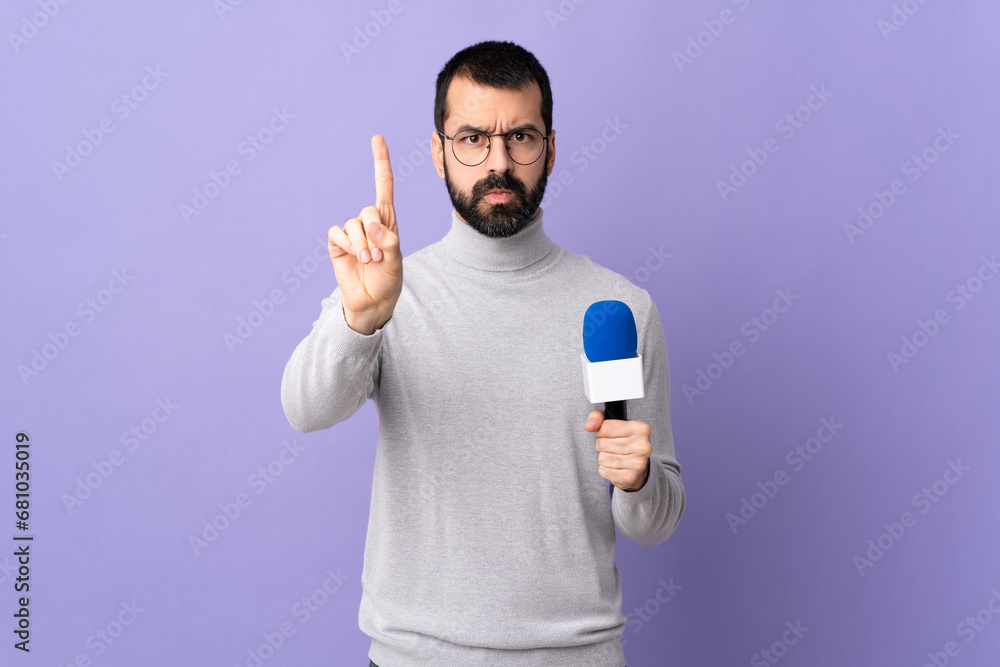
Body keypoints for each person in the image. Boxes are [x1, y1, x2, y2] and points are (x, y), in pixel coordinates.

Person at [281, 40, 685, 667]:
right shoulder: (387, 291)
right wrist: (359, 320)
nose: (499, 162)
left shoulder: (618, 309)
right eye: (472, 138)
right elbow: (305, 410)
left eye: (520, 137)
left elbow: (653, 523)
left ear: (550, 148)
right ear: (438, 152)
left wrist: (638, 479)